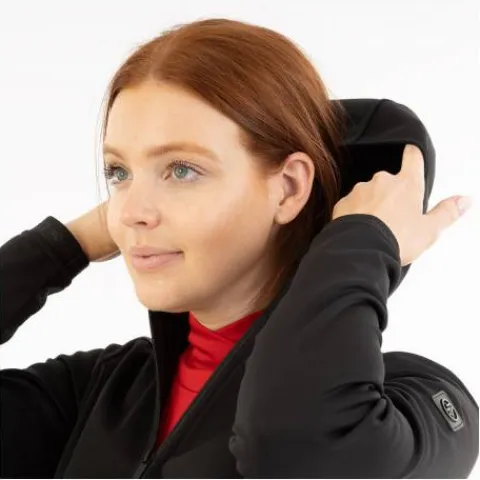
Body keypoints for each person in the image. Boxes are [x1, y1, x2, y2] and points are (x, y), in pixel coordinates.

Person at [1, 17, 478, 479]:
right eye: (119, 173)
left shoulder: (411, 403)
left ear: (289, 188)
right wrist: (67, 244)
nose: (129, 212)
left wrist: (361, 239)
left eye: (182, 169)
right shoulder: (105, 390)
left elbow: (299, 446)